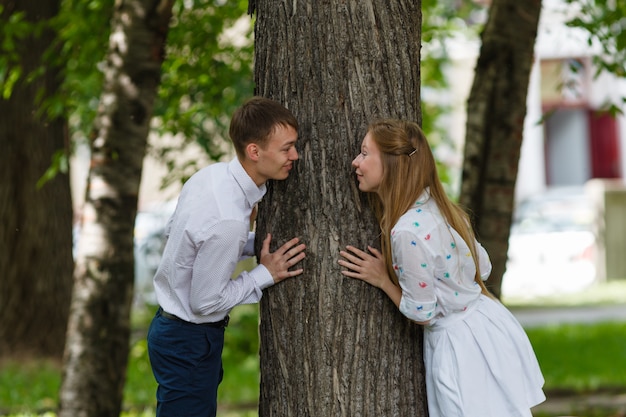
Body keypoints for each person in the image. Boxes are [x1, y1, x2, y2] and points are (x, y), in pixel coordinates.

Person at [338, 119, 545, 417]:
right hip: (489, 324)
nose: (356, 162)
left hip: (460, 348)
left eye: (364, 153)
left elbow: (422, 313)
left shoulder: (407, 232)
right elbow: (482, 266)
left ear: (393, 164)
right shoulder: (441, 207)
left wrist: (383, 280)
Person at [147, 96, 307, 417]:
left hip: (174, 333)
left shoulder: (209, 177)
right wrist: (265, 274)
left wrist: (251, 244)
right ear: (254, 151)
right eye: (286, 148)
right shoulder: (229, 219)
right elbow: (205, 302)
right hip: (188, 342)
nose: (295, 155)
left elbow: (176, 232)